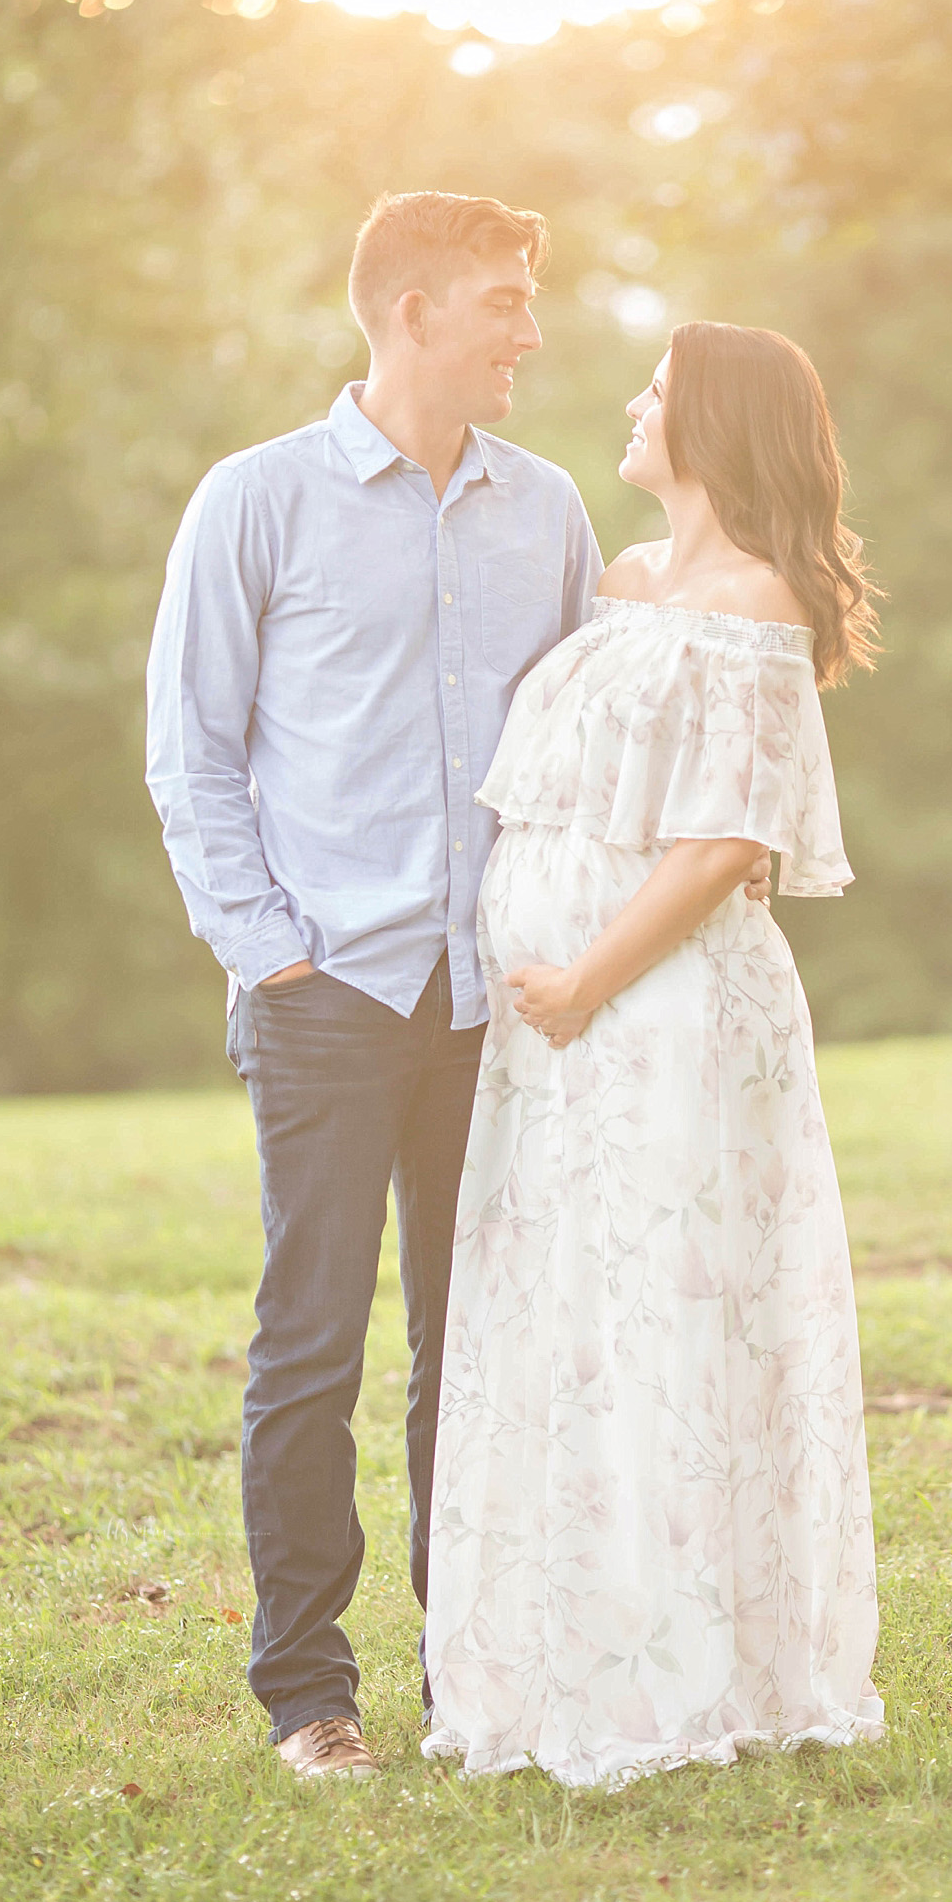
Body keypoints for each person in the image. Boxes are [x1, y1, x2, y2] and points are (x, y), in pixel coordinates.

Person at [144, 191, 774, 1778]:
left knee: (476, 1342)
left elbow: (597, 727)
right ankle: (309, 1693)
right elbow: (192, 754)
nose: (531, 332)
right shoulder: (257, 501)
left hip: (499, 1003)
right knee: (310, 1344)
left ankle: (470, 1668)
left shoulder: (549, 507)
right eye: (502, 301)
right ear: (411, 309)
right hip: (327, 988)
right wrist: (271, 948)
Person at [423, 320, 885, 1789]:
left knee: (671, 1317)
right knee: (570, 1310)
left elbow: (721, 845)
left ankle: (693, 1668)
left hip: (661, 1014)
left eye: (657, 392)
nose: (630, 407)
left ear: (718, 425)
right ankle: (570, 1643)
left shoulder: (761, 601)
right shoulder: (622, 582)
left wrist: (586, 979)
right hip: (557, 1025)